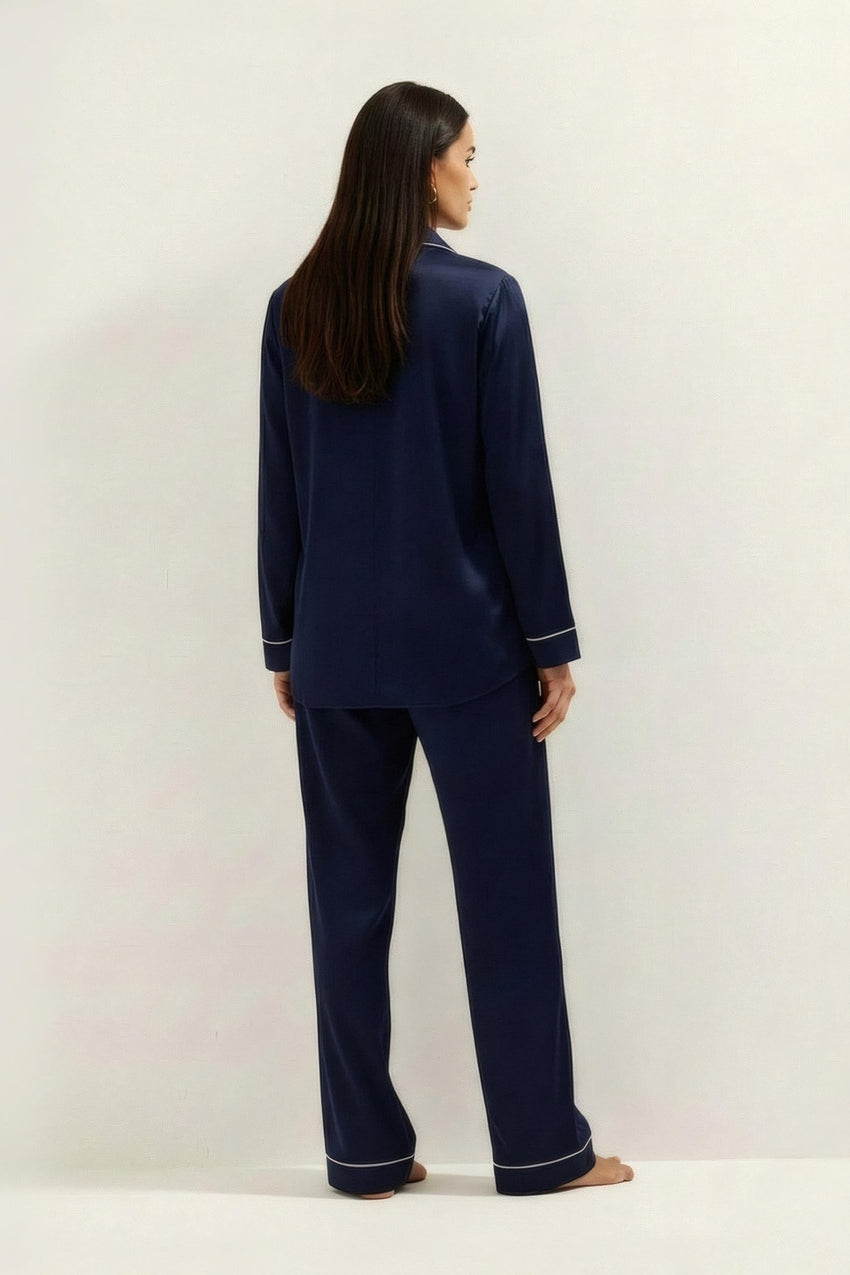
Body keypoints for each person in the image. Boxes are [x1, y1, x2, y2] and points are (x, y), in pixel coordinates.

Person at [257, 80, 634, 1199]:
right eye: (468, 155)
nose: (477, 174)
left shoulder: (293, 307)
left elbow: (282, 487)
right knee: (507, 900)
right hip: (470, 651)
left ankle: (365, 1157)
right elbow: (517, 488)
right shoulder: (482, 300)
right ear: (425, 166)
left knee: (346, 907)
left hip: (333, 654)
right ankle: (540, 1149)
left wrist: (284, 642)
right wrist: (551, 640)